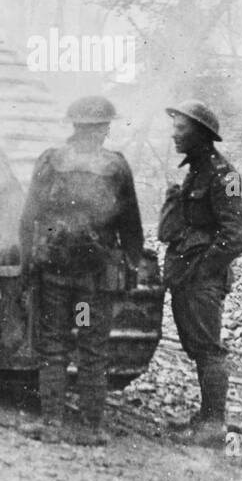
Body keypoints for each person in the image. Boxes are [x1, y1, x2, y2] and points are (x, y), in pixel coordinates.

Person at [19, 96, 145, 443]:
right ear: (104, 129)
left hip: (56, 275)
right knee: (91, 348)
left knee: (54, 347)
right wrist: (131, 267)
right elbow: (131, 224)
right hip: (92, 285)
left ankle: (52, 426)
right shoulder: (116, 167)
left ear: (73, 126)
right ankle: (91, 428)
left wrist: (29, 263)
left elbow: (30, 216)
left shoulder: (51, 161)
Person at [158, 100, 242, 447]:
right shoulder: (195, 171)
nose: (174, 134)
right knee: (198, 346)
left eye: (181, 129)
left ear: (200, 134)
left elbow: (239, 233)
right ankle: (206, 417)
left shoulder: (225, 176)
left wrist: (204, 270)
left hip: (200, 278)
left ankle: (214, 423)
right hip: (186, 274)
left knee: (209, 348)